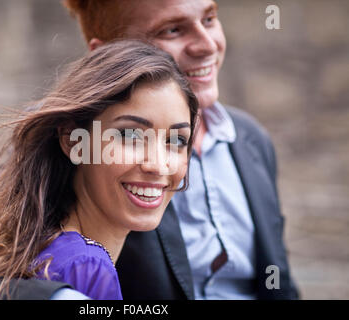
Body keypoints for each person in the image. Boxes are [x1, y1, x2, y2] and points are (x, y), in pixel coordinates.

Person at [0, 40, 198, 300]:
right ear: (72, 141)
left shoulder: (26, 244)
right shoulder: (86, 267)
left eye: (176, 140)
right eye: (130, 136)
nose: (159, 165)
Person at [63, 0, 299, 299]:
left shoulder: (252, 138)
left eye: (210, 19)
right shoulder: (75, 137)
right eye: (172, 30)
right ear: (106, 54)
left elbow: (280, 279)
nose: (207, 45)